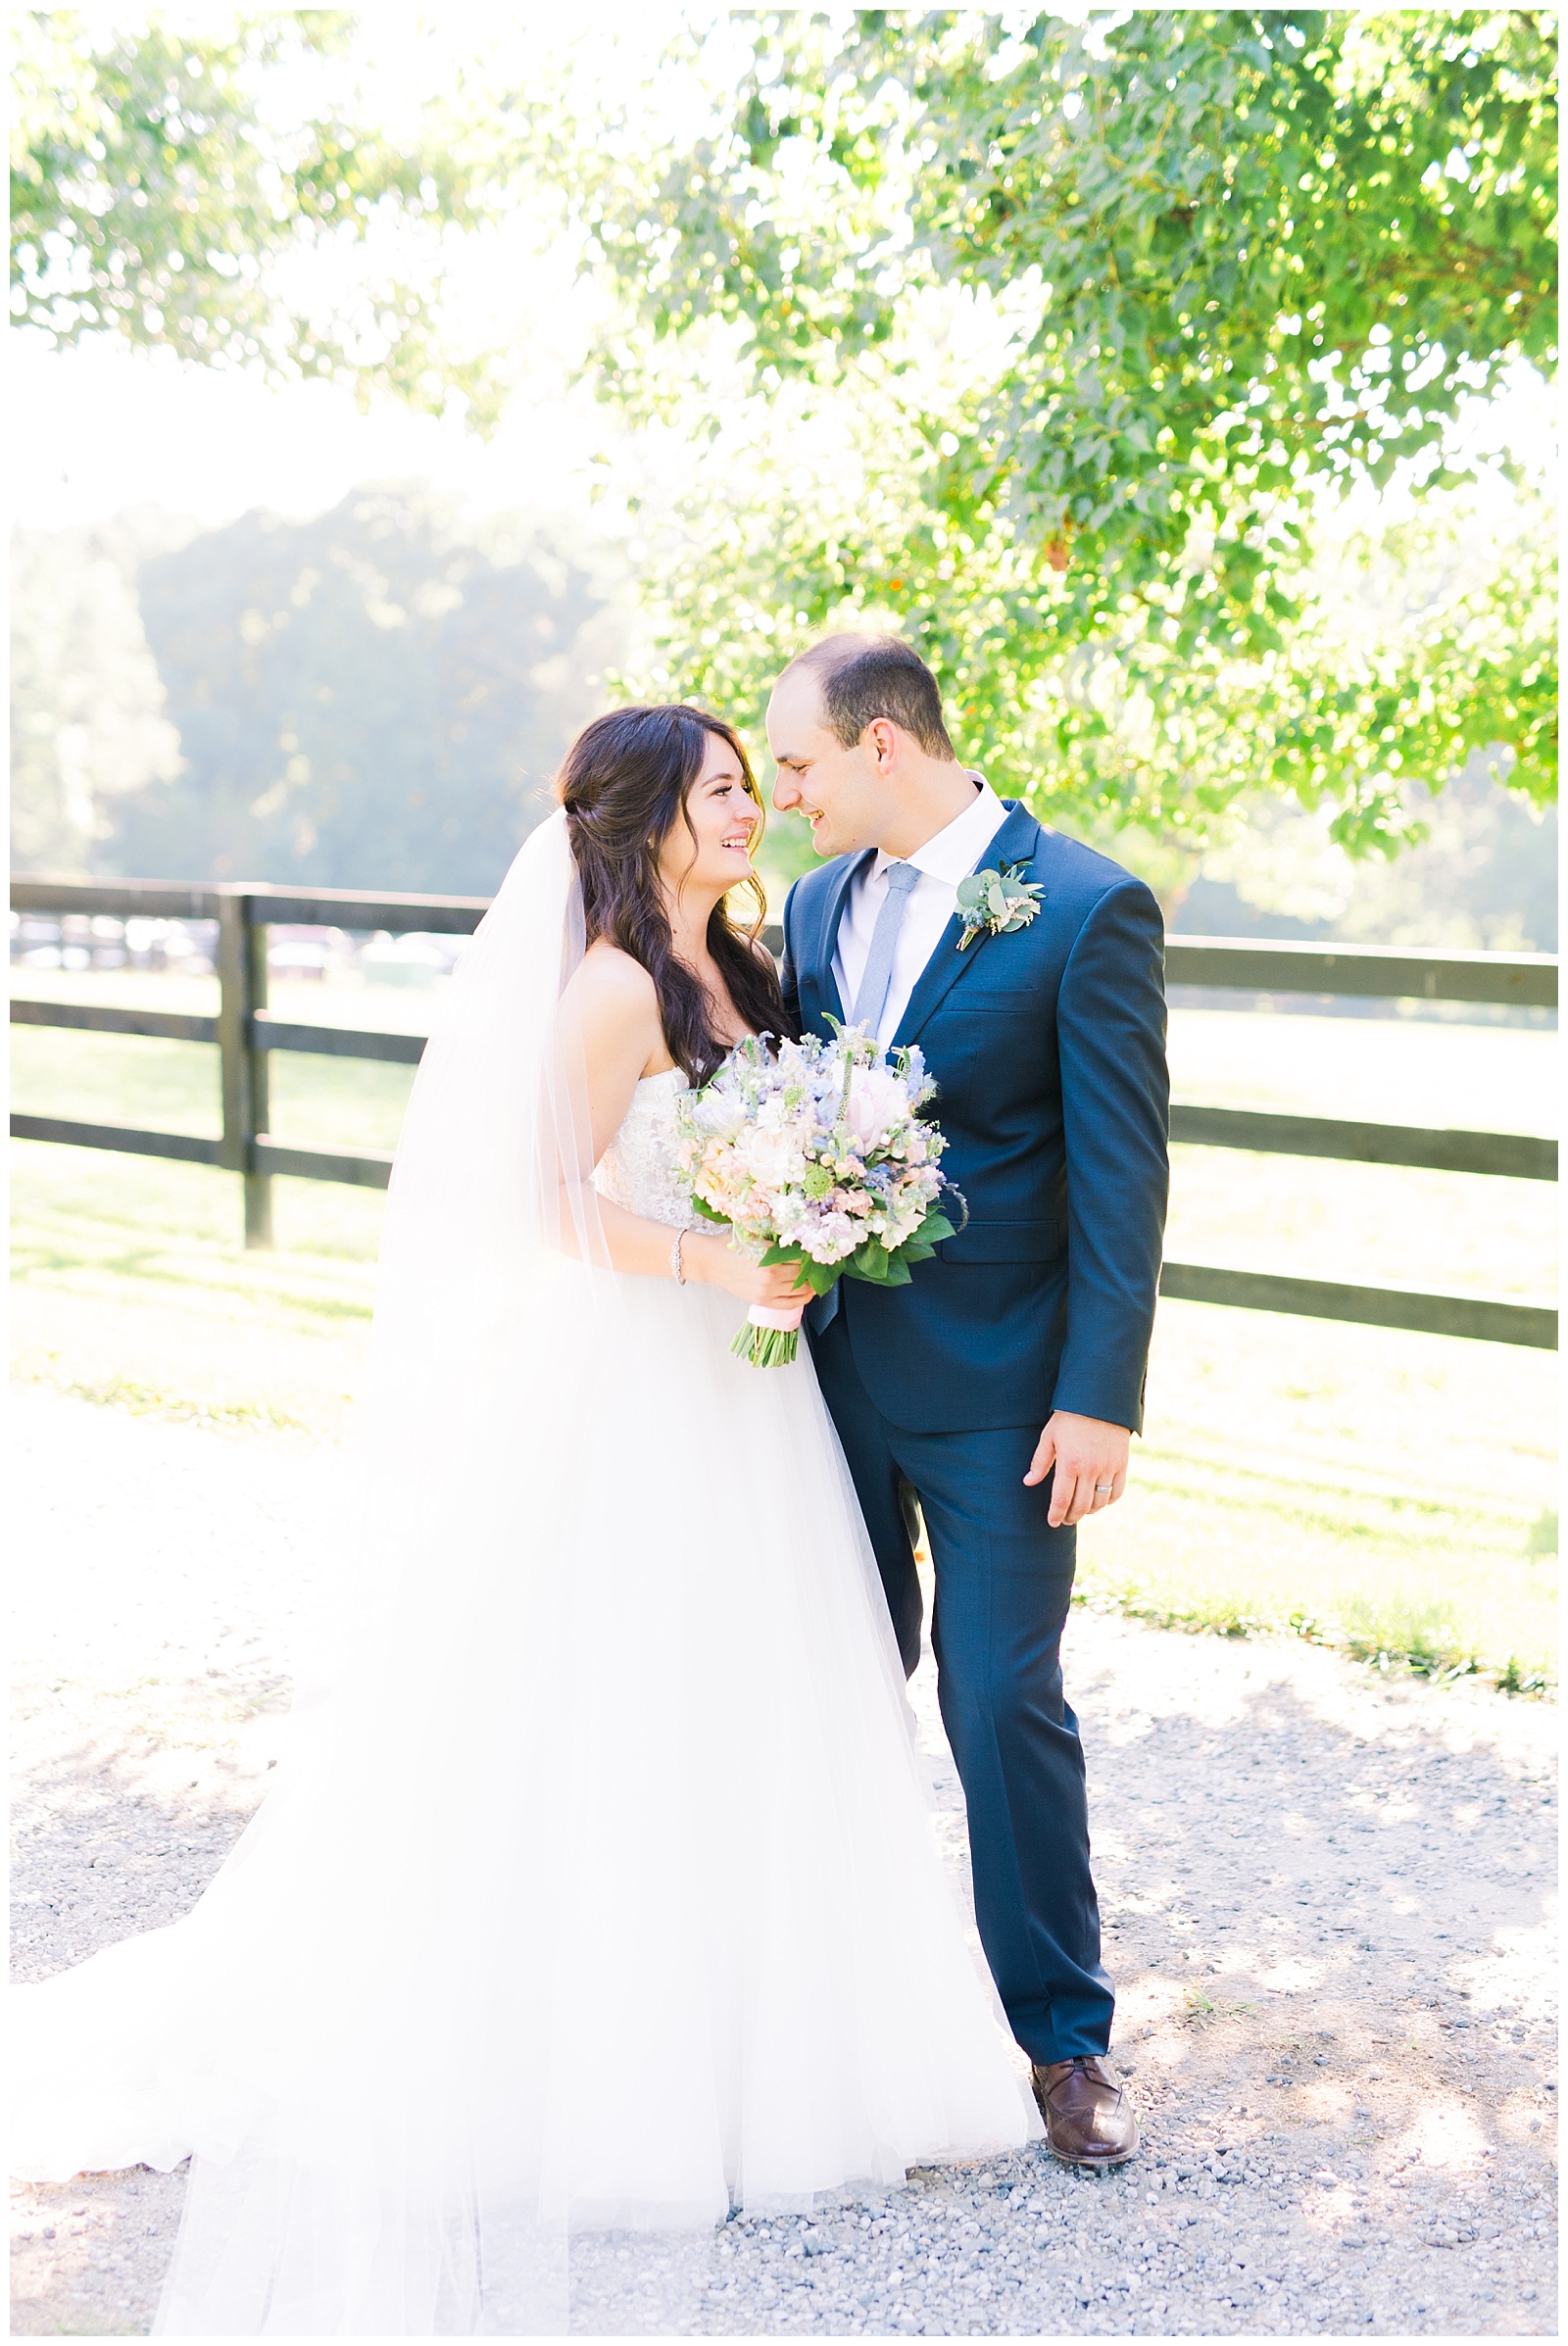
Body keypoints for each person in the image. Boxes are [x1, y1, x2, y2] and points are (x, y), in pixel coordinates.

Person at [11, 704, 1034, 2337]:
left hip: (749, 1388)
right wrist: (715, 1259)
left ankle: (781, 2043)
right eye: (720, 790)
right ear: (643, 818)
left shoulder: (751, 971)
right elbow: (548, 1199)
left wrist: (812, 1216)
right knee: (608, 1692)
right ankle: (613, 2066)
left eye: (754, 787)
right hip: (638, 1370)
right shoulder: (615, 987)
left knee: (753, 1690)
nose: (750, 810)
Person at [771, 634, 1169, 2168]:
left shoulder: (1080, 906)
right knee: (823, 1679)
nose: (784, 796)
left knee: (1001, 1698)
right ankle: (829, 2009)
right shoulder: (815, 903)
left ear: (885, 746)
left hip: (1010, 1393)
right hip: (826, 1380)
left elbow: (1124, 1175)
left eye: (797, 764)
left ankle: (1062, 2043)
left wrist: (1101, 1395)